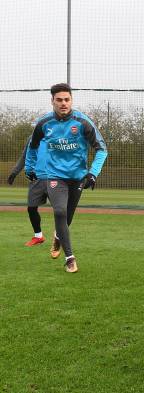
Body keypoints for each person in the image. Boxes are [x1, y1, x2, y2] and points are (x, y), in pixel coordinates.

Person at [26, 83, 108, 273]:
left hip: (78, 176)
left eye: (67, 99)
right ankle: (70, 258)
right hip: (55, 176)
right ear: (52, 101)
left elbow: (102, 149)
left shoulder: (82, 122)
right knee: (60, 212)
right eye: (59, 100)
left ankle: (57, 237)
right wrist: (29, 167)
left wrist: (92, 173)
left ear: (71, 100)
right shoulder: (44, 123)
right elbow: (32, 146)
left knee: (67, 216)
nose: (63, 103)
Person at [7, 133, 49, 246]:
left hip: (54, 178)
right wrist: (14, 173)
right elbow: (24, 156)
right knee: (31, 208)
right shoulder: (32, 138)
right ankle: (38, 236)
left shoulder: (57, 135)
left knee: (60, 210)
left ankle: (60, 238)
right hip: (36, 178)